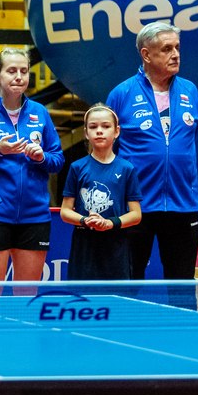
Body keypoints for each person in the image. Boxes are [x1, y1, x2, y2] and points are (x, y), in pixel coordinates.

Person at [106, 21, 198, 281]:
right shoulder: (122, 94)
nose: (175, 54)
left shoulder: (190, 91)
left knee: (182, 284)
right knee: (128, 281)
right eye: (167, 49)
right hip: (135, 206)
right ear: (146, 55)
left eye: (177, 47)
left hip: (183, 204)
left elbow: (189, 141)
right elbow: (108, 152)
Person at [0, 48, 64, 281]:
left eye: (24, 71)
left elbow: (58, 160)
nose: (19, 77)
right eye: (11, 71)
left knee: (26, 294)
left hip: (35, 217)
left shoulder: (40, 112)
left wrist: (41, 157)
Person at [60, 104, 142, 280]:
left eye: (105, 126)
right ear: (86, 133)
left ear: (117, 131)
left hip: (116, 248)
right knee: (83, 296)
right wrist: (85, 220)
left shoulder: (127, 169)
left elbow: (136, 214)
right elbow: (65, 211)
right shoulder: (77, 167)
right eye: (93, 127)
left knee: (116, 295)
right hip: (84, 248)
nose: (99, 131)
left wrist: (109, 223)